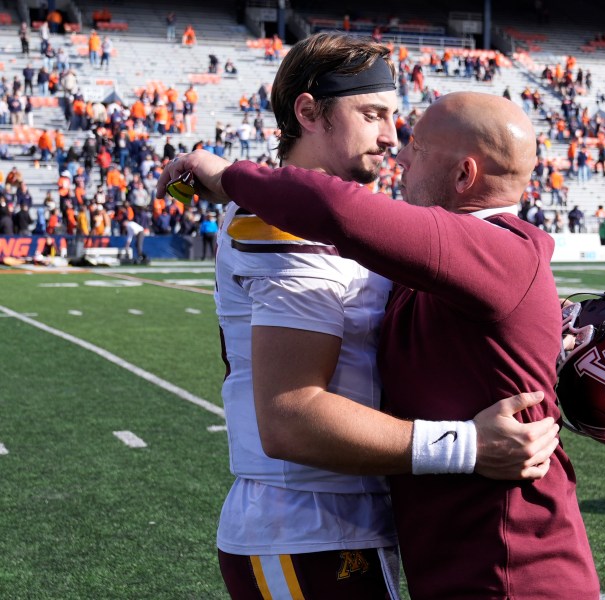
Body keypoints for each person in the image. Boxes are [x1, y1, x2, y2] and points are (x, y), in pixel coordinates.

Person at [158, 34, 560, 600]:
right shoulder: (285, 229)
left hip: (347, 520)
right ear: (308, 112)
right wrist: (467, 445)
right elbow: (291, 418)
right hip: (303, 524)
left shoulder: (353, 225)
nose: (392, 139)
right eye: (372, 114)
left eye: (394, 117)